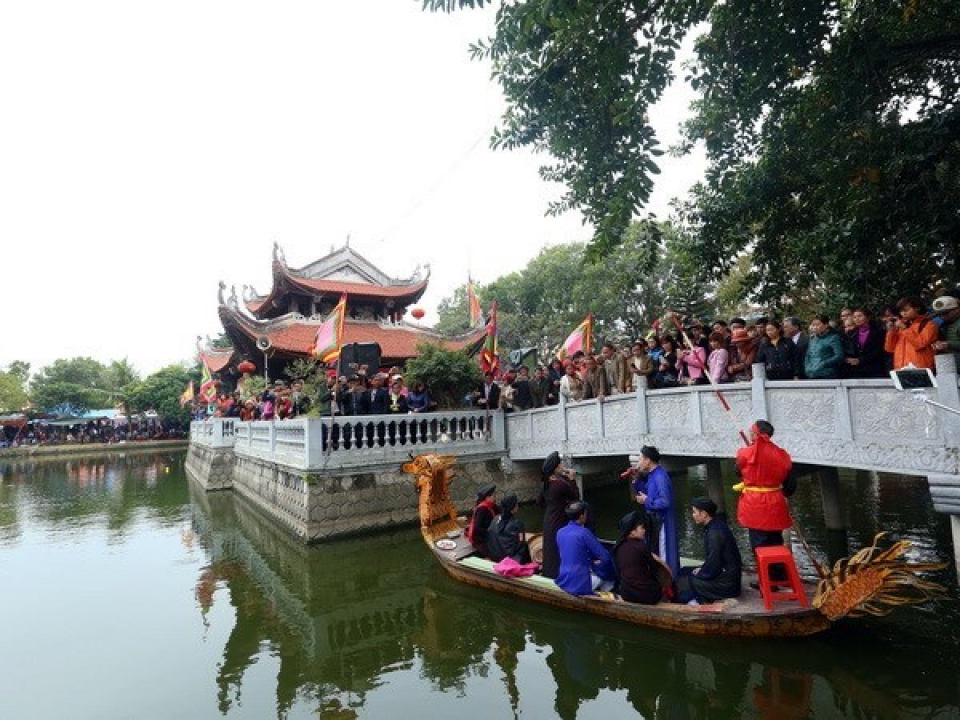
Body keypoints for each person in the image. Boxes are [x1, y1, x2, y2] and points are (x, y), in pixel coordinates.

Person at [735, 420, 793, 583]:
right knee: (776, 540)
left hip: (756, 504)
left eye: (751, 432)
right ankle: (779, 575)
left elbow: (737, 470)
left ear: (755, 434)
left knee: (759, 544)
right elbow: (789, 483)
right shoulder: (781, 454)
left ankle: (766, 580)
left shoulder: (746, 453)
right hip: (775, 501)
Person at [675, 497, 742, 604]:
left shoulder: (714, 533)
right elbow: (715, 560)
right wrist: (702, 569)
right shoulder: (716, 525)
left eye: (694, 512)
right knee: (684, 570)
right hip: (726, 575)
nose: (693, 515)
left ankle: (694, 600)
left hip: (727, 584)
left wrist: (701, 572)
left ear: (704, 514)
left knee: (688, 580)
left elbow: (714, 564)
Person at [629, 445, 680, 577]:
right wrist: (636, 480)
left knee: (664, 551)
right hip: (654, 520)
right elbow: (647, 492)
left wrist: (646, 501)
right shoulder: (653, 475)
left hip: (662, 520)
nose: (639, 462)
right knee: (655, 549)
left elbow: (665, 502)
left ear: (648, 460)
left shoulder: (660, 477)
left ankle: (670, 580)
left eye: (640, 458)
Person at [555, 501, 616, 596]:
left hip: (564, 578)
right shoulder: (584, 533)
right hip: (581, 583)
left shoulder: (560, 532)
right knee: (610, 572)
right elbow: (605, 558)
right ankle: (608, 593)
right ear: (582, 516)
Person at [539, 451, 582, 579]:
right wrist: (573, 480)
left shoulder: (545, 483)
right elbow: (575, 497)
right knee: (560, 548)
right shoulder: (559, 484)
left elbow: (539, 502)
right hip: (559, 519)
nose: (563, 465)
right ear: (556, 467)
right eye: (561, 464)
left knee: (550, 548)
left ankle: (549, 574)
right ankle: (560, 575)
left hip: (548, 518)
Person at [613, 510, 666, 605]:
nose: (644, 530)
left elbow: (619, 571)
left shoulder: (618, 546)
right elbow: (654, 569)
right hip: (646, 596)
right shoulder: (642, 547)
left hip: (626, 594)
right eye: (641, 528)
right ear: (632, 531)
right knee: (658, 586)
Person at [883, 296, 938, 370]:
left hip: (921, 367)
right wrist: (891, 331)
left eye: (906, 310)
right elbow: (889, 348)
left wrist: (904, 329)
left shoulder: (929, 324)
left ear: (917, 308)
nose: (903, 313)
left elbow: (920, 344)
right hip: (900, 367)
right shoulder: (902, 325)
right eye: (901, 311)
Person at [486, 493, 531, 564]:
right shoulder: (517, 524)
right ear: (512, 508)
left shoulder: (495, 518)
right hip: (509, 559)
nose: (517, 506)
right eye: (516, 504)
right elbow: (521, 544)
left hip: (494, 556)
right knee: (524, 546)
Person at [804, 314, 845, 379]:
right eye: (813, 325)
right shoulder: (812, 339)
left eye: (817, 325)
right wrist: (807, 368)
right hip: (811, 373)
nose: (815, 327)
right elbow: (808, 355)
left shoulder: (833, 338)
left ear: (826, 325)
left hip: (828, 374)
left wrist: (824, 363)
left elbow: (839, 356)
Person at [465, 484, 499, 558]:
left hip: (491, 534)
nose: (495, 497)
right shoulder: (482, 509)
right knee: (491, 554)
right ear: (487, 498)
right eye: (493, 495)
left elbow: (501, 513)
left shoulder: (492, 505)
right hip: (480, 538)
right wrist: (490, 532)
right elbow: (477, 529)